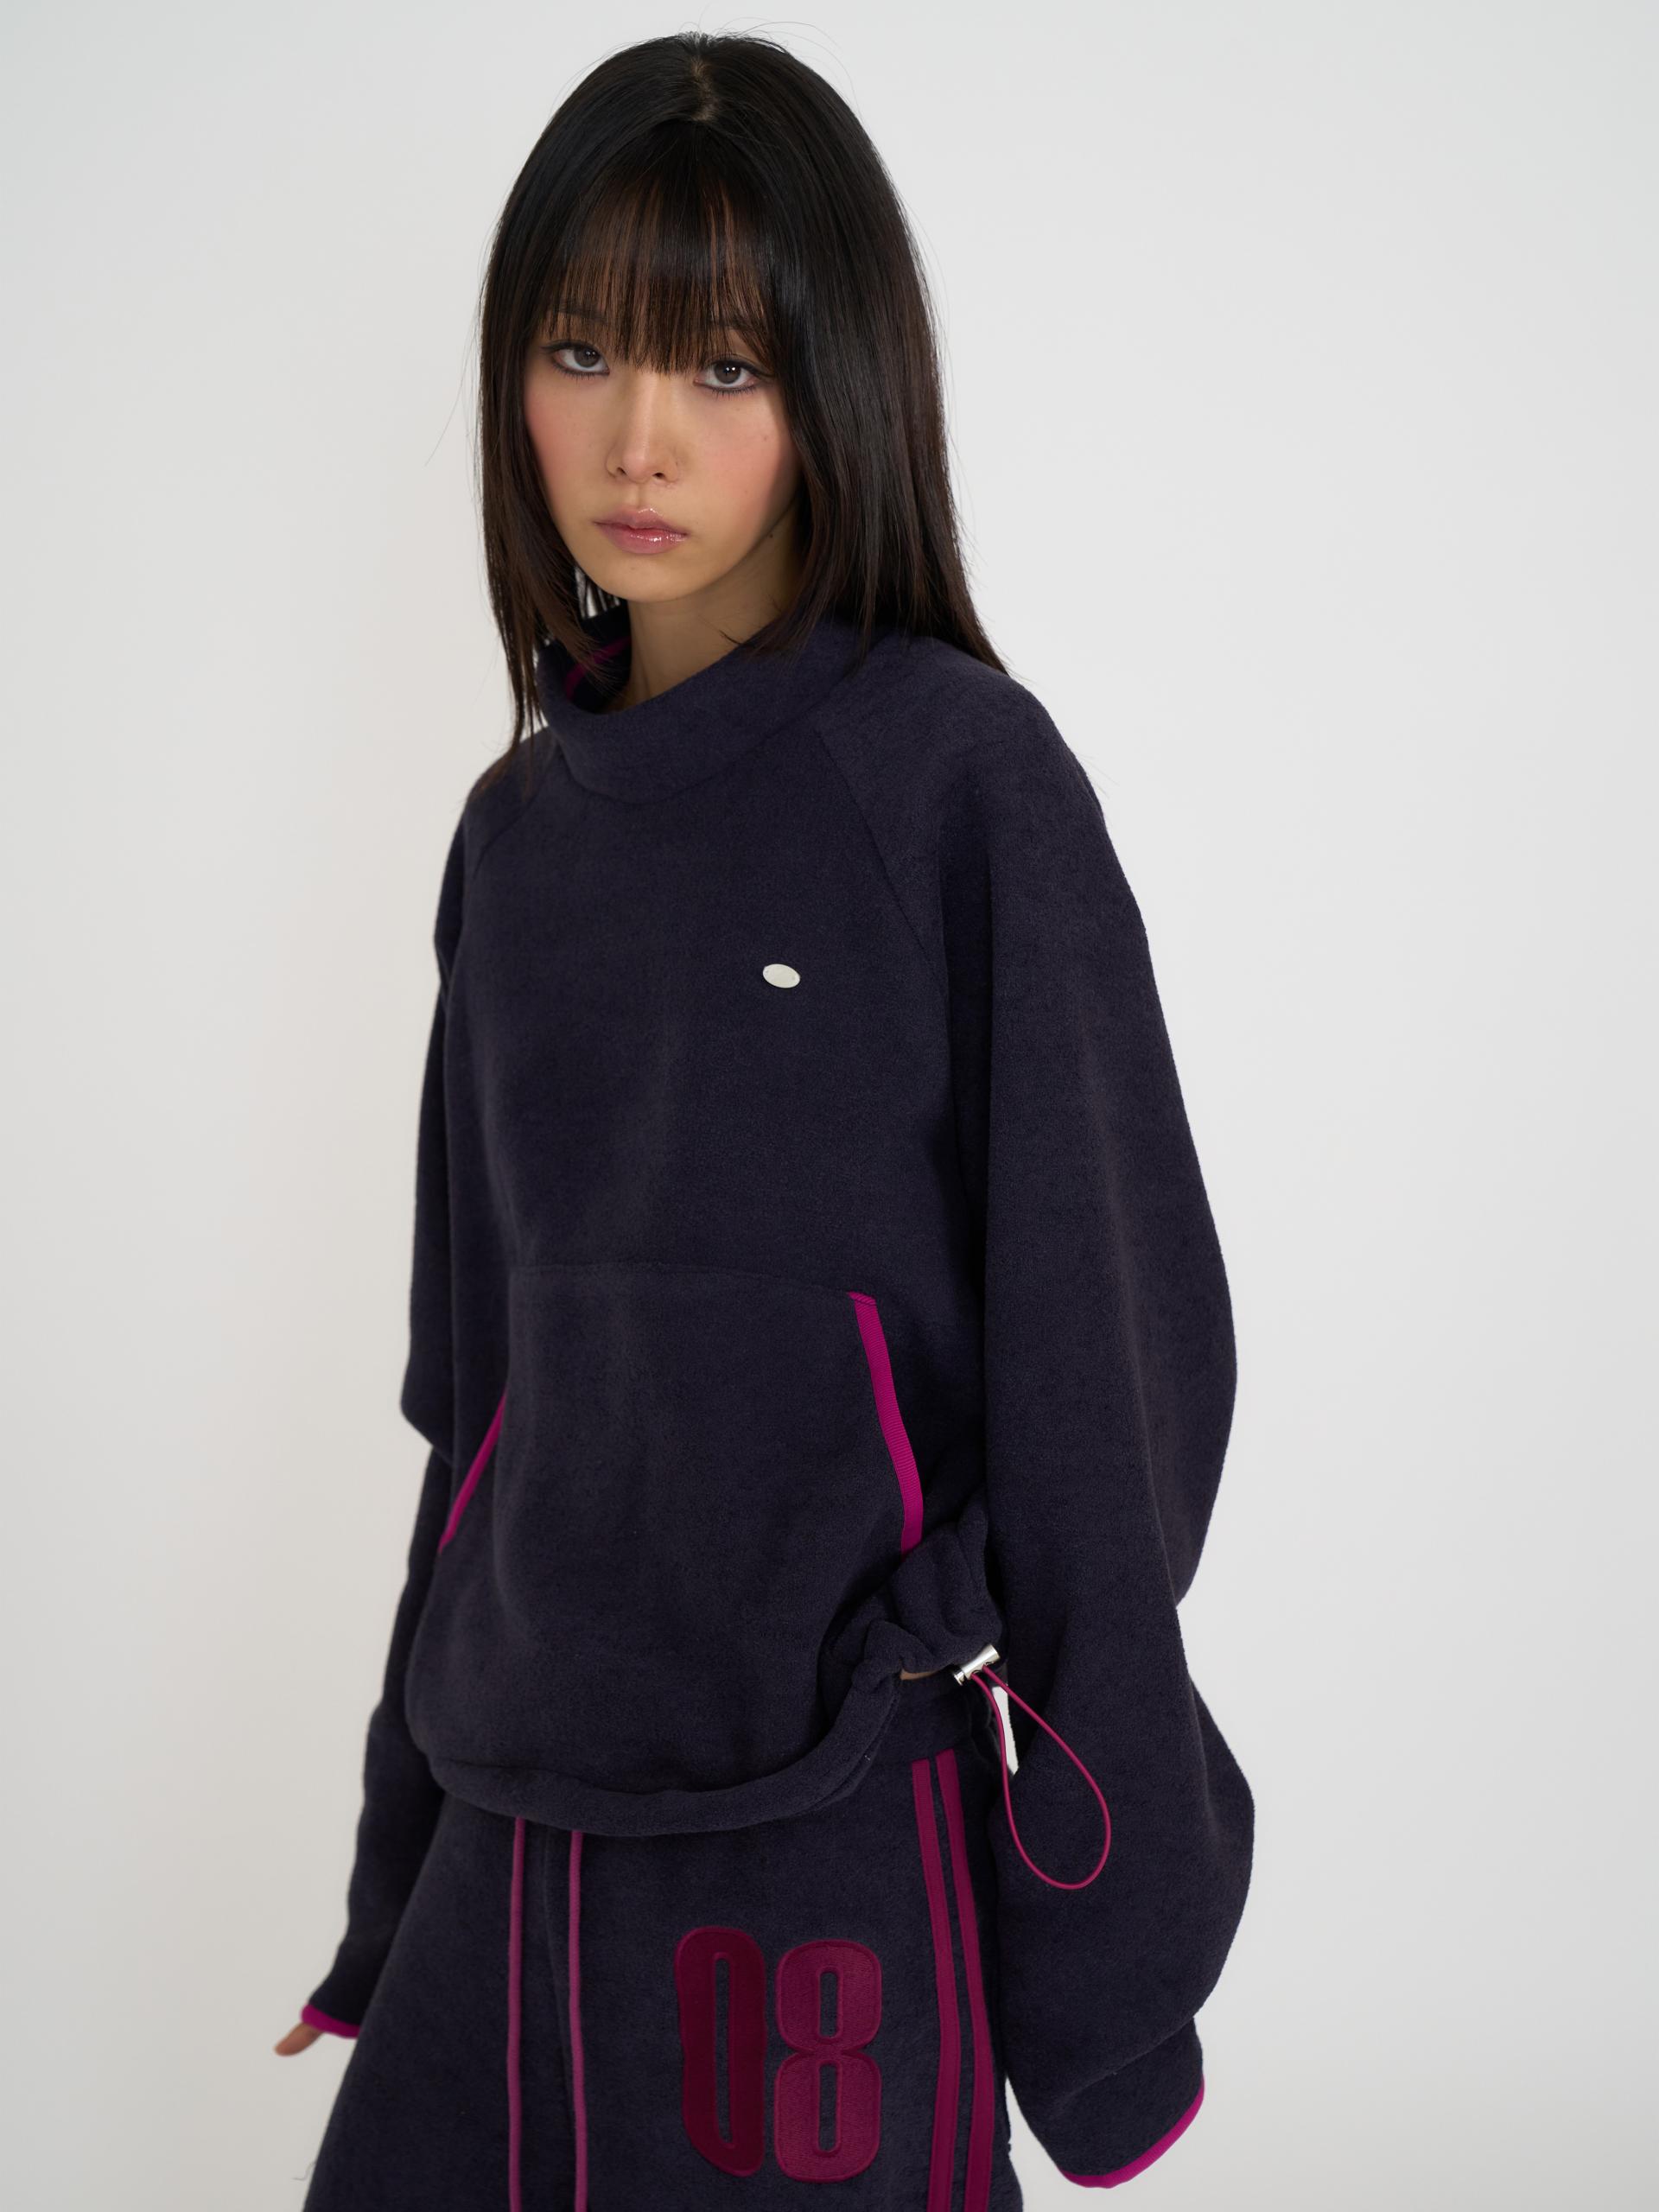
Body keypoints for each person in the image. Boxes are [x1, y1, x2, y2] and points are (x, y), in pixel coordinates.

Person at [275, 29, 1254, 2209]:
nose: (638, 436)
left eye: (722, 364)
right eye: (580, 348)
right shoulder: (514, 839)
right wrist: (389, 1892)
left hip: (826, 1839)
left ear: (838, 386)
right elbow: (479, 1403)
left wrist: (1102, 1957)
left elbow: (1115, 1387)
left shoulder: (961, 787)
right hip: (513, 1828)